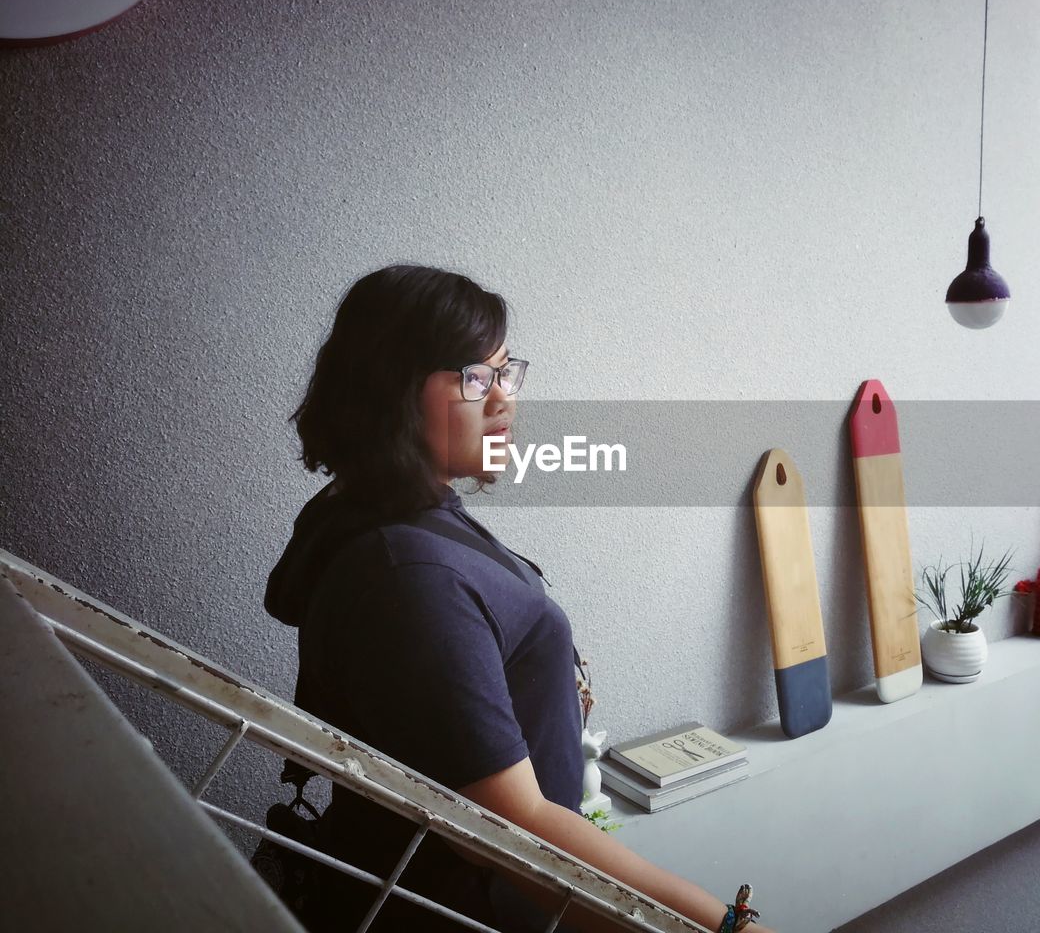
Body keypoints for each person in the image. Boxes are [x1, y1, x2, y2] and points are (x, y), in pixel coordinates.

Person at [264, 265, 774, 933]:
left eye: (507, 374)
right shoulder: (407, 576)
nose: (506, 401)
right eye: (476, 378)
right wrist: (729, 929)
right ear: (395, 392)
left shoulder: (394, 515)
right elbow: (521, 836)